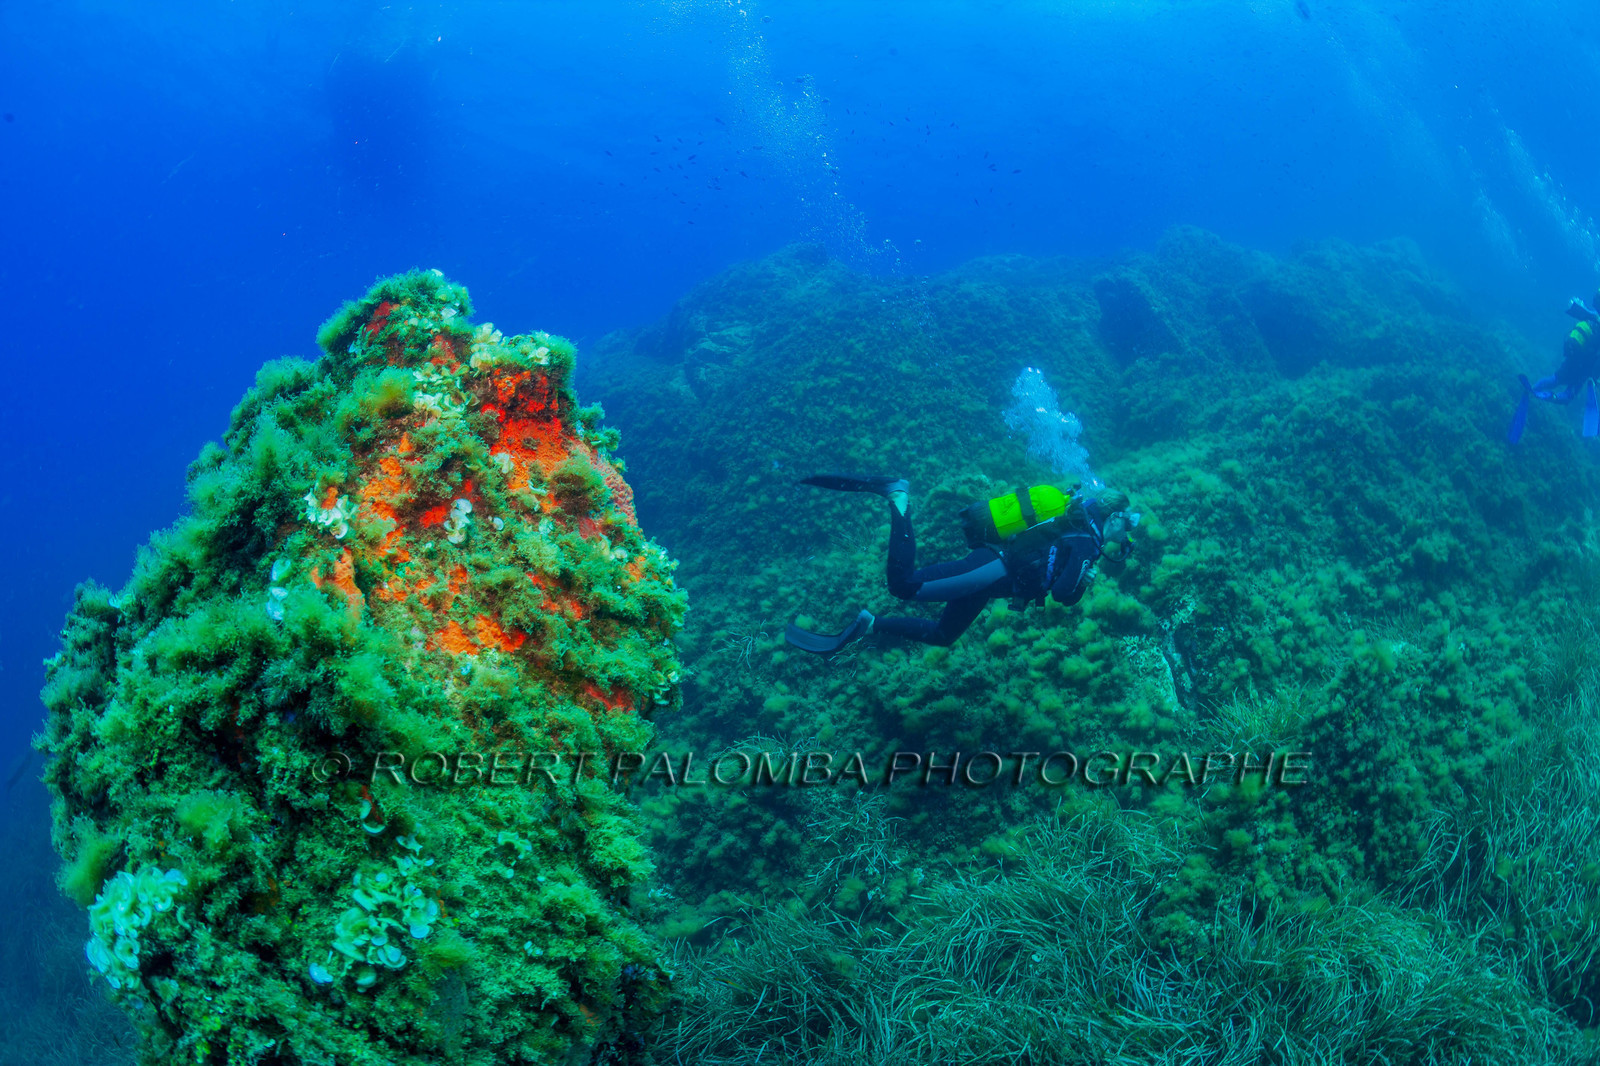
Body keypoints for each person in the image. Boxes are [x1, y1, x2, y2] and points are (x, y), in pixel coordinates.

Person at [785, 475, 1139, 653]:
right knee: (903, 585)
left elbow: (1060, 588)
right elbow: (1062, 594)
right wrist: (1084, 578)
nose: (1127, 537)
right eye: (1129, 524)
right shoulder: (1085, 540)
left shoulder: (1079, 528)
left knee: (943, 635)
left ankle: (870, 624)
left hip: (991, 581)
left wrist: (1079, 579)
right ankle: (898, 497)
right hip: (993, 569)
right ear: (1116, 518)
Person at [1509, 292, 1600, 443]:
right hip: (1586, 366)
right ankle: (1552, 397)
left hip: (1575, 354)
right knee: (1568, 396)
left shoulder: (1592, 320)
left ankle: (1532, 388)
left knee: (1555, 379)